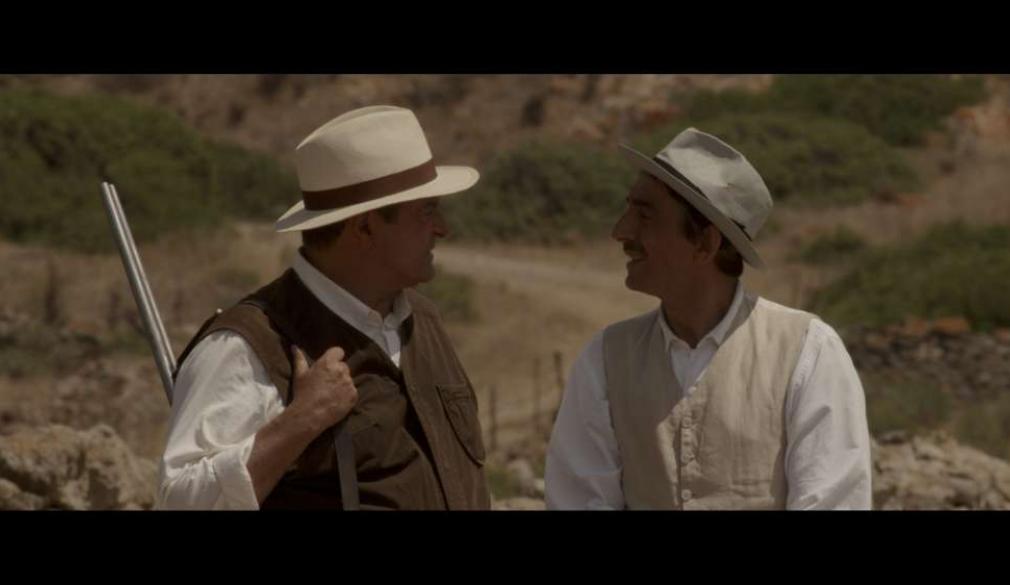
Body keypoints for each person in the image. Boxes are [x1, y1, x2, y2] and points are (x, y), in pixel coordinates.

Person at [158, 105, 490, 510]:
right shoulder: (248, 347)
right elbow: (181, 502)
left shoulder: (424, 321)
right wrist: (301, 421)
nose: (442, 228)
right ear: (364, 226)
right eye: (426, 210)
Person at [545, 127, 872, 510]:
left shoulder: (807, 351)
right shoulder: (606, 358)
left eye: (645, 215)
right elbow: (579, 500)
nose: (621, 231)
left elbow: (832, 501)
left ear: (705, 242)